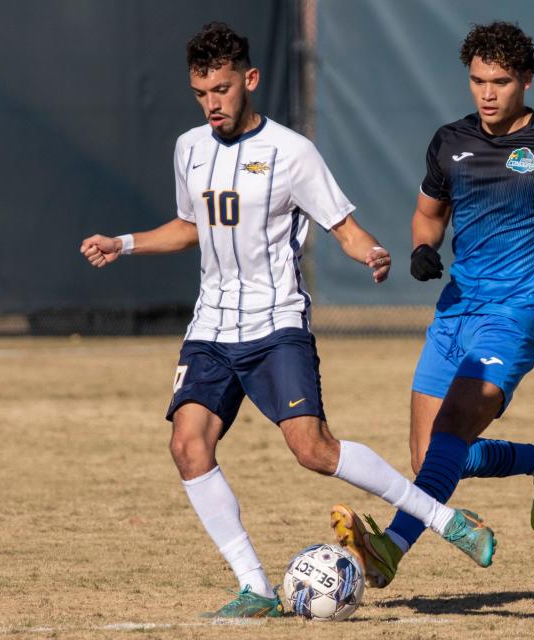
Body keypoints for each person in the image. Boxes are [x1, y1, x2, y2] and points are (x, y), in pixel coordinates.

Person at [80, 22, 493, 619]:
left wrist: (372, 253)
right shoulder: (188, 148)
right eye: (201, 93)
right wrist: (125, 243)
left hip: (276, 326)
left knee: (314, 450)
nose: (212, 104)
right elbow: (191, 226)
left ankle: (444, 518)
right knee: (187, 445)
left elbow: (344, 228)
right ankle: (256, 587)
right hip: (211, 329)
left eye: (221, 89)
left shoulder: (291, 152)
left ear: (249, 79)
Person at [331, 21, 534, 589]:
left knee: (451, 435)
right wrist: (423, 246)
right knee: (432, 464)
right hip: (454, 312)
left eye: (500, 81)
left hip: (516, 314)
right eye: (477, 81)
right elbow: (428, 213)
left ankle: (390, 550)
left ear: (526, 79)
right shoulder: (449, 141)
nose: (487, 94)